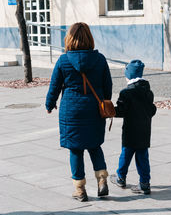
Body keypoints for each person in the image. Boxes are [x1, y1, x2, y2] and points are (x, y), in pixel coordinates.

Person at [46, 22, 112, 202]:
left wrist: (50, 104)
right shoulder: (100, 60)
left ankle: (80, 189)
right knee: (94, 146)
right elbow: (108, 86)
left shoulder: (63, 60)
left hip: (71, 111)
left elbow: (55, 86)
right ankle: (102, 180)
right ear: (89, 38)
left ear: (70, 38)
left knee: (75, 150)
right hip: (94, 109)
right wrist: (104, 101)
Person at [110, 60, 156, 194]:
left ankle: (121, 177)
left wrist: (111, 110)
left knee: (126, 155)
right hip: (144, 131)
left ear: (129, 75)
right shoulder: (149, 92)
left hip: (130, 131)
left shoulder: (126, 93)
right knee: (143, 157)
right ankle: (145, 183)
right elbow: (151, 110)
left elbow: (122, 111)